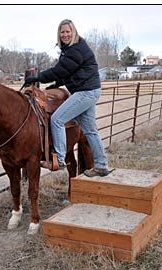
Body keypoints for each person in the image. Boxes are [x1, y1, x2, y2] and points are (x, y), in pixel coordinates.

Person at [25, 19, 110, 177]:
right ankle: (102, 165)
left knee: (57, 119)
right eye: (62, 32)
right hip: (90, 90)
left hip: (85, 92)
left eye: (67, 31)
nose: (65, 34)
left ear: (73, 32)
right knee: (90, 130)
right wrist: (57, 83)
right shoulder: (71, 49)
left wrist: (37, 77)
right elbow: (70, 72)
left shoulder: (74, 49)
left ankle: (60, 159)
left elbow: (60, 70)